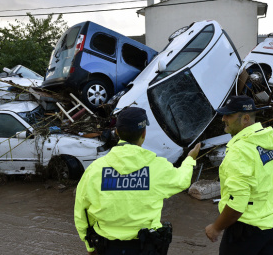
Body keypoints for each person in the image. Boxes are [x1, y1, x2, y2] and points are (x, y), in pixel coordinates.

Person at [74, 106, 201, 255]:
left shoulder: (95, 170)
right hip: (146, 247)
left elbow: (81, 212)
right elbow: (182, 180)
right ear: (144, 133)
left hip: (107, 248)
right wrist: (189, 160)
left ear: (117, 132)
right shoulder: (157, 166)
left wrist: (90, 247)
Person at [205, 95, 273, 255]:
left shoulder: (239, 152)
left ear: (245, 118)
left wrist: (216, 228)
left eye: (228, 115)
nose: (223, 119)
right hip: (271, 222)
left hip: (245, 228)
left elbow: (237, 205)